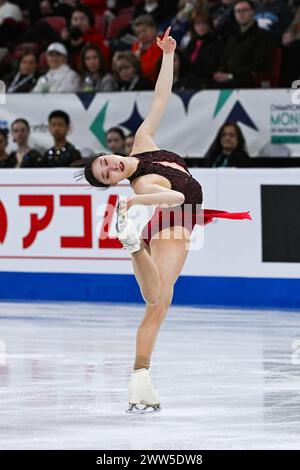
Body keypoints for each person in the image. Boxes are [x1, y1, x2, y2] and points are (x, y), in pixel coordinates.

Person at [73, 27, 251, 413]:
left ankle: (140, 377)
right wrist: (141, 205)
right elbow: (174, 196)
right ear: (116, 182)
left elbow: (160, 98)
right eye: (108, 174)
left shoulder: (142, 141)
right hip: (176, 218)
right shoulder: (141, 186)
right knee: (158, 294)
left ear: (110, 152)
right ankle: (135, 246)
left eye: (105, 161)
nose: (110, 166)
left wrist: (168, 55)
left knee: (157, 306)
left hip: (177, 215)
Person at [213, 0, 272, 88]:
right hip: (229, 78)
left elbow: (258, 65)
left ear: (253, 12)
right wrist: (221, 72)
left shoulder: (262, 36)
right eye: (238, 11)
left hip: (247, 80)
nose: (241, 14)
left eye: (245, 10)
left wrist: (231, 75)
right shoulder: (233, 36)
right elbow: (224, 58)